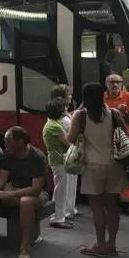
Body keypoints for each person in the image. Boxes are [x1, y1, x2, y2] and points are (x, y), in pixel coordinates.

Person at [68, 82, 129, 257]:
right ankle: (112, 245)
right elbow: (123, 135)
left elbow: (70, 139)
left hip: (92, 167)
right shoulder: (114, 113)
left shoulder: (81, 115)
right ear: (102, 96)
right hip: (114, 165)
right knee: (112, 207)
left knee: (96, 207)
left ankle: (100, 245)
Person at [0, 126, 49, 258]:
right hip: (13, 189)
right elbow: (2, 179)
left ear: (20, 141)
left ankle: (25, 247)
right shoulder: (8, 154)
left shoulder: (37, 157)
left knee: (25, 202)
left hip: (37, 194)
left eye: (8, 139)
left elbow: (35, 189)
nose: (5, 142)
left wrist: (9, 194)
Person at [103, 74, 129, 217]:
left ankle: (127, 204)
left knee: (126, 173)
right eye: (112, 82)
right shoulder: (102, 97)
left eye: (118, 82)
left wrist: (124, 113)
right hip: (105, 140)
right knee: (107, 171)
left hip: (124, 140)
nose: (115, 85)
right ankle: (110, 202)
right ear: (106, 83)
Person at [43, 98, 73, 229]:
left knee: (60, 189)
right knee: (60, 190)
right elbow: (68, 143)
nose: (66, 110)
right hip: (59, 160)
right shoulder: (55, 126)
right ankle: (58, 218)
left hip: (58, 160)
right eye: (64, 109)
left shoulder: (52, 123)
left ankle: (59, 216)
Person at [51, 84, 79, 218]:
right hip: (61, 156)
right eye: (68, 94)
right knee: (62, 186)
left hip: (68, 156)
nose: (71, 96)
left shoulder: (64, 112)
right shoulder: (58, 117)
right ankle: (58, 213)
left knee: (71, 182)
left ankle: (70, 208)